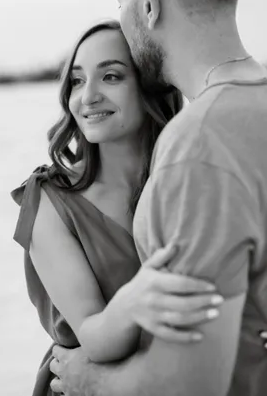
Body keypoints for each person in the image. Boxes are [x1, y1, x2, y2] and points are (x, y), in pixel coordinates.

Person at [49, 0, 267, 396]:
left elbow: (191, 383)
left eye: (119, 4)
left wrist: (89, 379)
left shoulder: (199, 143)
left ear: (147, 5)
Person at [11, 20, 223, 396]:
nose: (88, 96)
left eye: (110, 76)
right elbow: (96, 338)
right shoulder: (50, 199)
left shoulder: (193, 181)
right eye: (77, 81)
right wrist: (138, 298)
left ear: (150, 88)